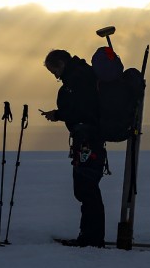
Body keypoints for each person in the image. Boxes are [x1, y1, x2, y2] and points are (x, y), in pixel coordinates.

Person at [41, 49, 106, 248]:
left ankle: (91, 239)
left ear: (61, 63)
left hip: (87, 138)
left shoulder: (78, 78)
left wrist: (58, 114)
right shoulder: (82, 74)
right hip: (88, 137)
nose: (56, 76)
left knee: (86, 188)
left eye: (55, 71)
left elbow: (80, 110)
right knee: (86, 188)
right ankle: (90, 237)